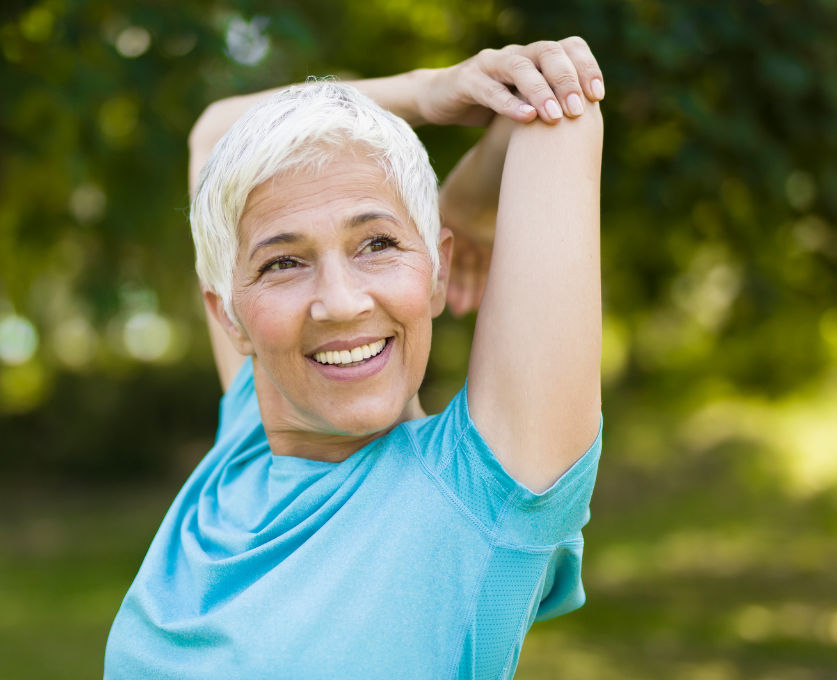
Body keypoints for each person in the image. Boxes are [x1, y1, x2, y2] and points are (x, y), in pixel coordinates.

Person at [105, 37, 606, 679]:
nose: (339, 303)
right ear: (229, 315)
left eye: (377, 243)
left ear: (436, 270)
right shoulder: (249, 435)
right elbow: (216, 133)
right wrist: (428, 91)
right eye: (283, 262)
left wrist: (471, 198)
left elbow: (557, 105)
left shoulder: (484, 494)